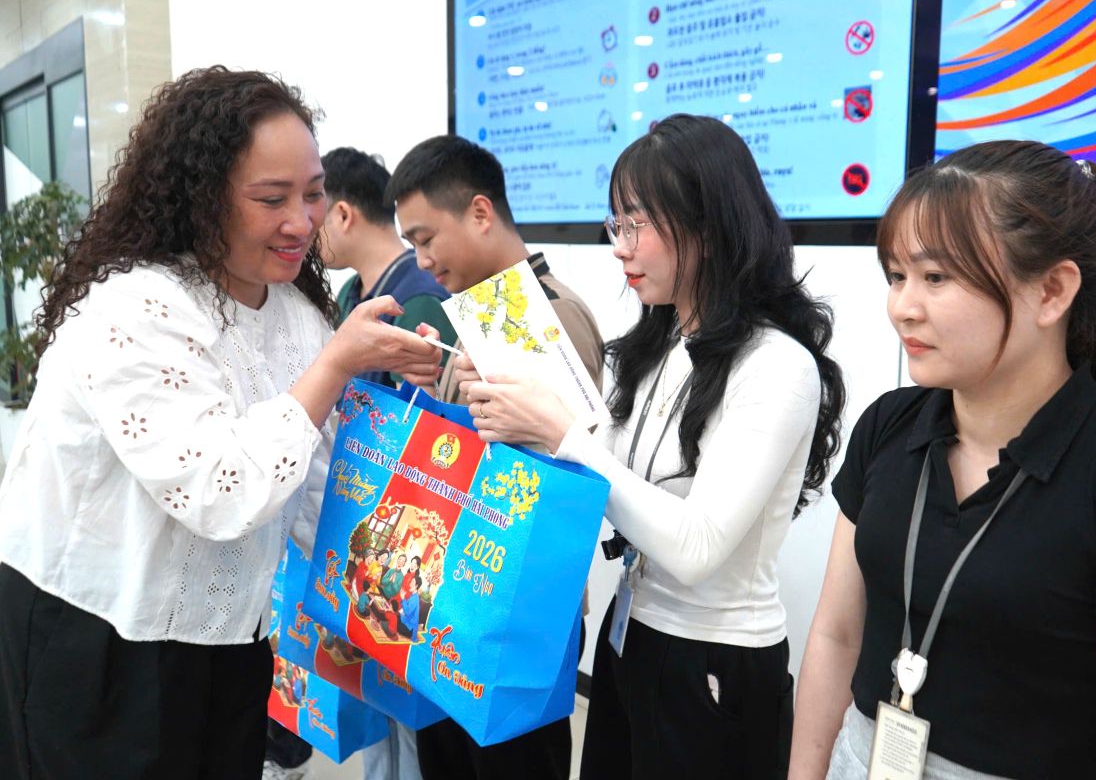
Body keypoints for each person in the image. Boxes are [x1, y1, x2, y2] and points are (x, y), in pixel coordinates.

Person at [0, 66, 442, 780]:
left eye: (312, 194)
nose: (302, 222)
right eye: (272, 199)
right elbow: (220, 491)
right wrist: (333, 369)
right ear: (203, 198)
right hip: (98, 638)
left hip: (231, 639)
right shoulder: (137, 308)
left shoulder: (298, 316)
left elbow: (327, 484)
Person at [788, 141, 1096, 779]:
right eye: (896, 276)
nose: (903, 306)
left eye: (936, 277)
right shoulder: (889, 427)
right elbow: (837, 636)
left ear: (1052, 291)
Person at [458, 113, 845, 780]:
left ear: (708, 224)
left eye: (636, 224)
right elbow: (612, 478)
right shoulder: (662, 345)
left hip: (714, 666)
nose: (620, 248)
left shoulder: (776, 365)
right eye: (617, 225)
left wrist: (564, 433)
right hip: (631, 636)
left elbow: (695, 548)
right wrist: (519, 407)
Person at [386, 134, 605, 780]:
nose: (422, 261)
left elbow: (569, 469)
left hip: (518, 609)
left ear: (481, 213)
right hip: (451, 597)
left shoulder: (555, 317)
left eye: (427, 238)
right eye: (412, 246)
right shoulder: (469, 318)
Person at [320, 146, 458, 384]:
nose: (304, 227)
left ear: (343, 215)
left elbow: (421, 413)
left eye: (314, 212)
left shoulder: (418, 300)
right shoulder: (350, 291)